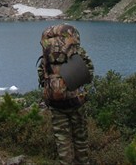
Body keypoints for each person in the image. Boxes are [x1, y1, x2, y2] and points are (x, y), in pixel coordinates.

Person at [37, 24, 94, 165]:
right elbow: (89, 72)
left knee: (62, 141)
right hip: (76, 101)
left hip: (55, 103)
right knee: (80, 139)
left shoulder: (46, 54)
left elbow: (41, 75)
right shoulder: (76, 51)